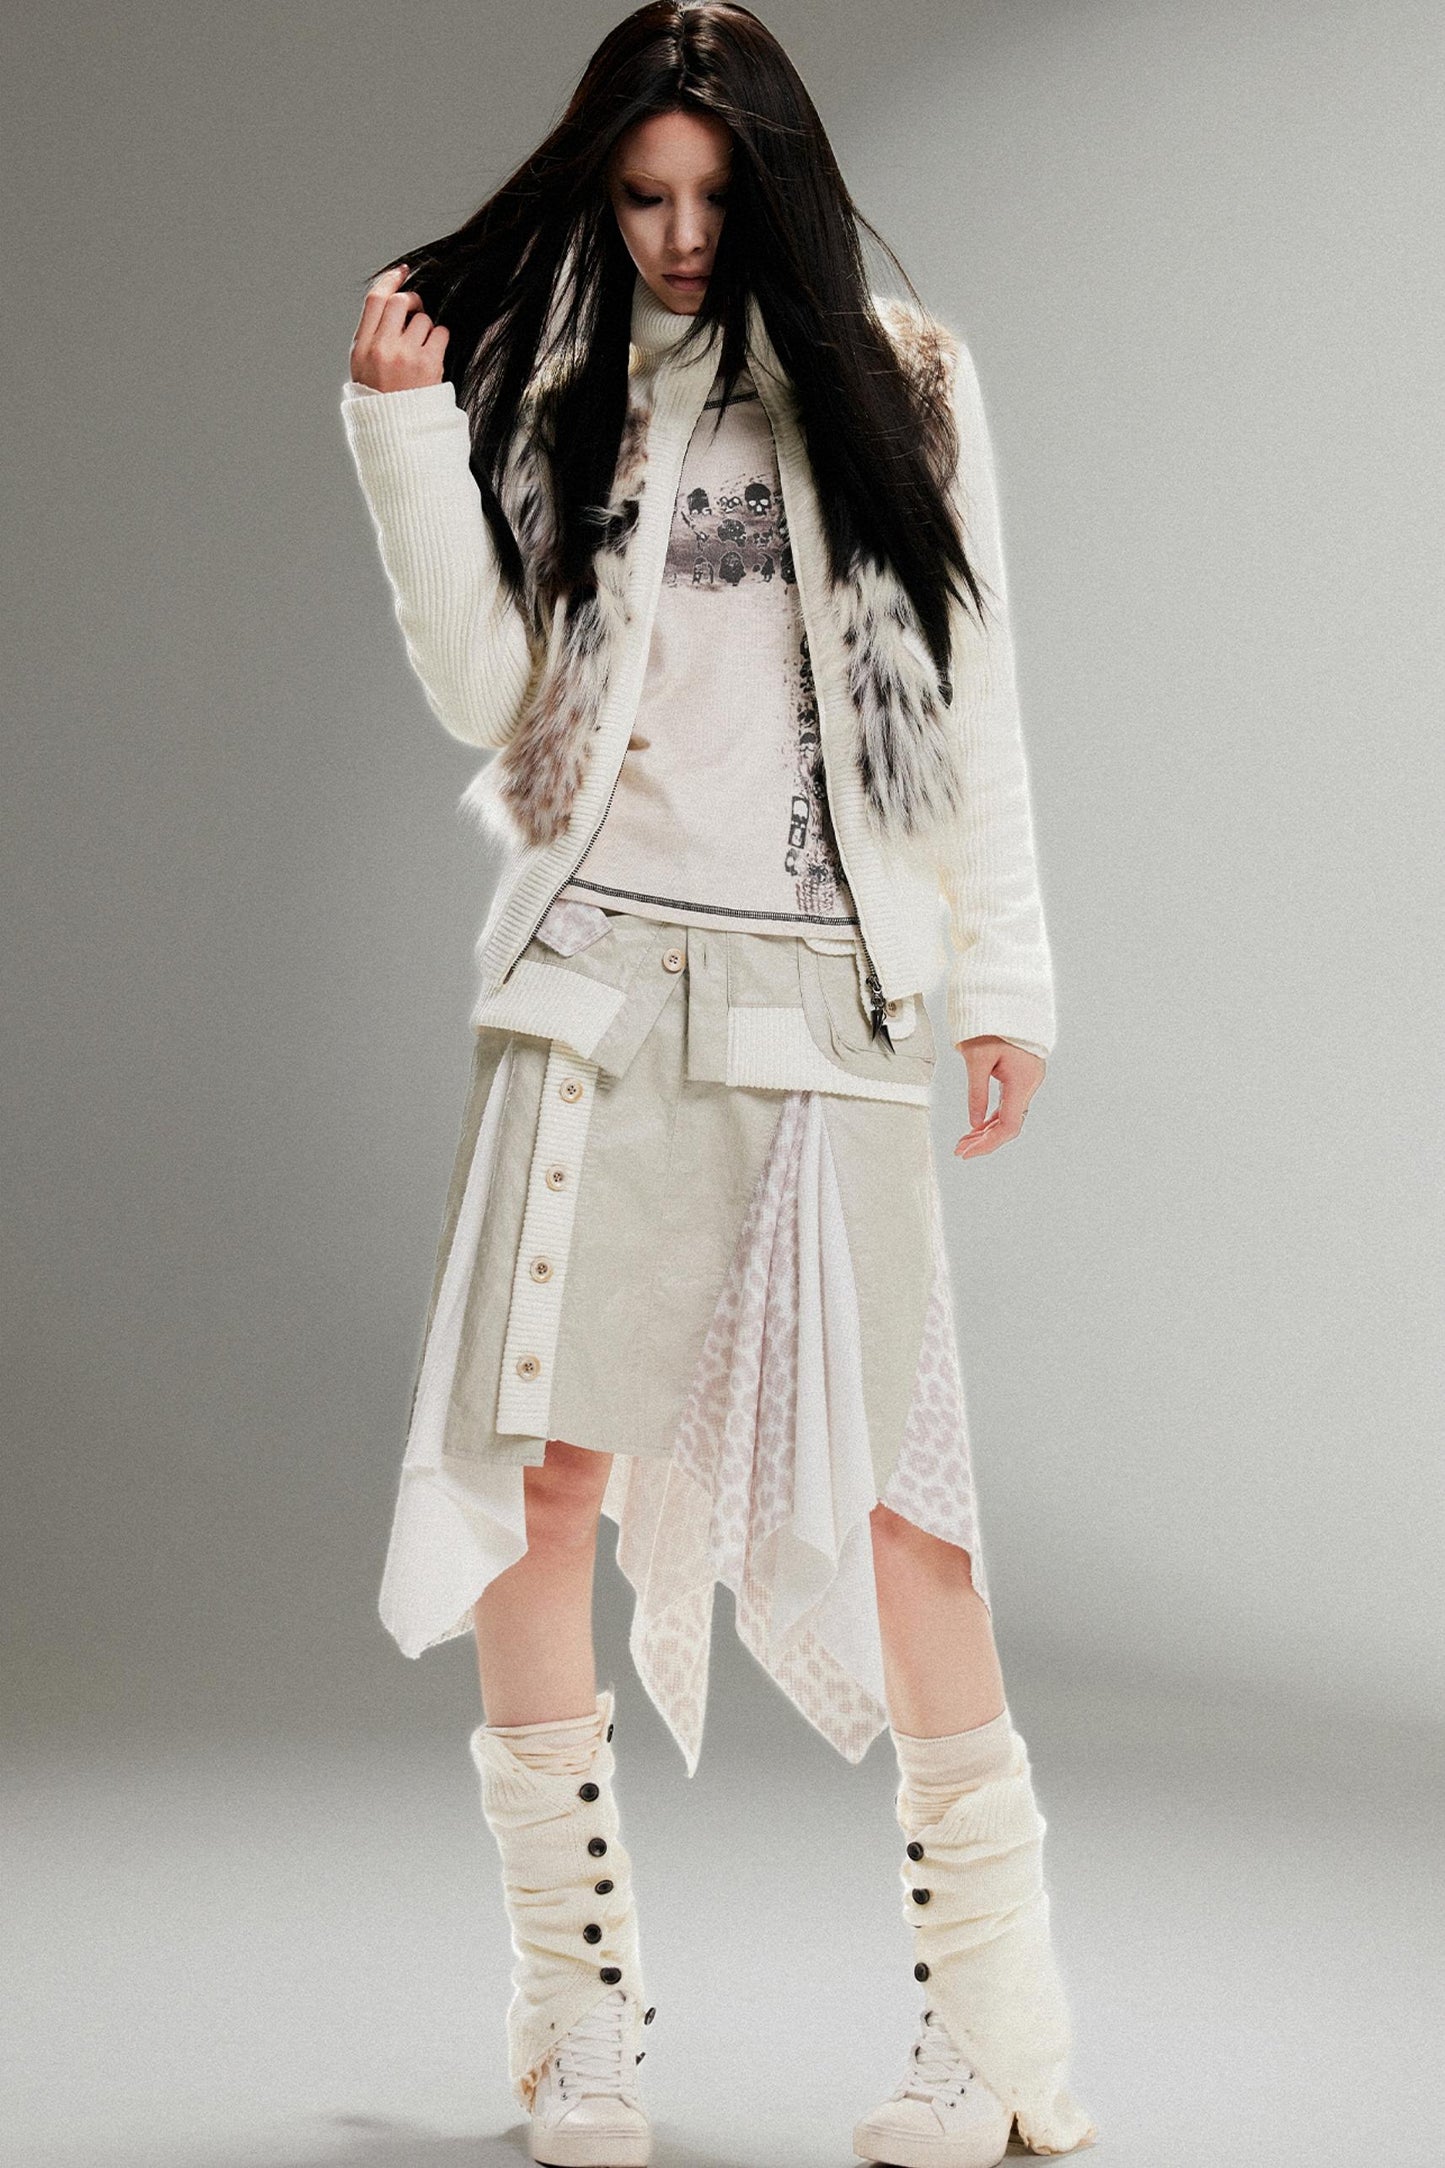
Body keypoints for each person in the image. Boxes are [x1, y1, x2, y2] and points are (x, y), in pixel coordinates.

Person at [341, 5, 1097, 2163]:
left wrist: (1001, 977)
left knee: (902, 1518)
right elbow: (488, 696)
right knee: (539, 1495)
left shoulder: (908, 383)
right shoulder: (560, 388)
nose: (679, 236)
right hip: (591, 996)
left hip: (820, 1005)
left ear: (780, 183)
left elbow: (974, 693)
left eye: (712, 195)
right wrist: (401, 433)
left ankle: (998, 2031)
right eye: (642, 197)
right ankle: (575, 2016)